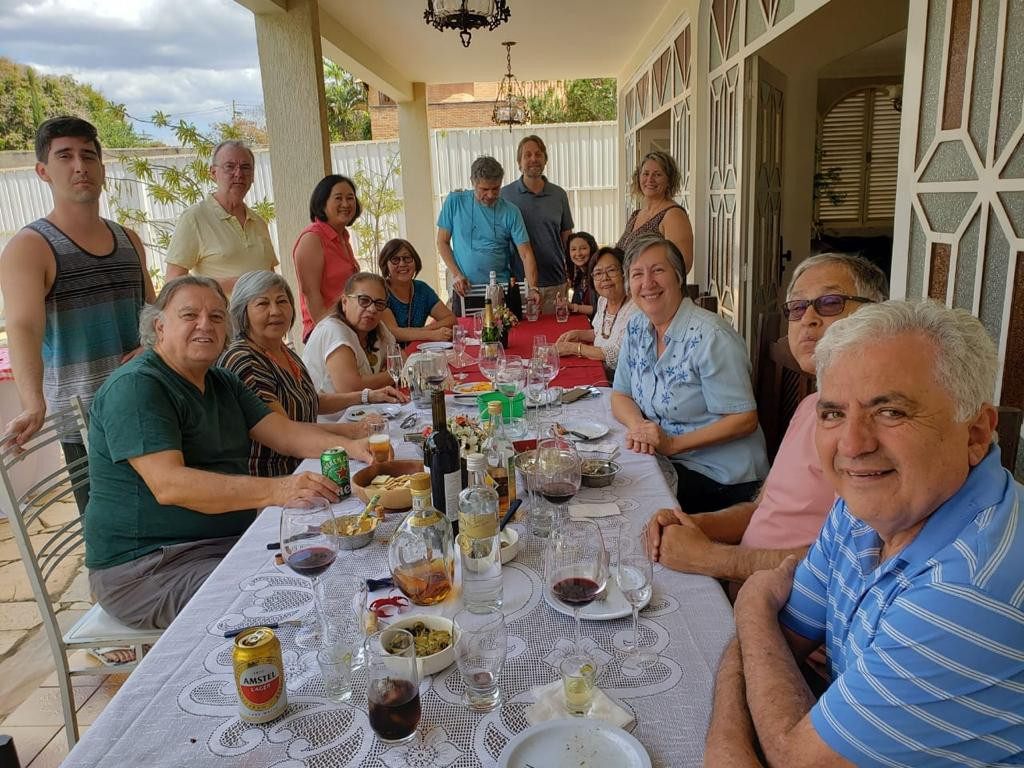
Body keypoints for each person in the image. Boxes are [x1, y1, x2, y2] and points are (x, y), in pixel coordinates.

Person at [705, 300, 1024, 768]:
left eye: (891, 411)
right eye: (833, 414)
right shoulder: (866, 510)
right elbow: (781, 642)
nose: (853, 446)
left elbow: (797, 759)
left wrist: (751, 608)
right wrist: (759, 629)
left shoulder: (966, 589)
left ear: (975, 434)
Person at [84, 276, 372, 630]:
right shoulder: (138, 386)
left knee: (342, 569)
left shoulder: (220, 380)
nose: (205, 325)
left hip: (223, 543)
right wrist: (279, 490)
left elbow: (285, 434)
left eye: (217, 317)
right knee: (293, 605)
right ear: (159, 326)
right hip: (151, 566)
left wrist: (358, 449)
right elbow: (170, 484)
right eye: (190, 315)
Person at [647, 253, 888, 585]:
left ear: (874, 315)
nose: (809, 319)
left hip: (782, 610)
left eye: (830, 303)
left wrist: (710, 558)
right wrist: (691, 524)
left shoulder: (870, 431)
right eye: (798, 308)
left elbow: (850, 563)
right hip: (739, 582)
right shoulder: (810, 407)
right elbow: (762, 511)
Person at [0, 115, 156, 516]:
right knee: (109, 529)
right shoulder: (30, 247)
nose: (79, 166)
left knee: (167, 515)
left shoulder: (128, 239)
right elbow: (22, 327)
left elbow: (154, 313)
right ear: (42, 171)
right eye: (64, 156)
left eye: (88, 155)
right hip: (85, 419)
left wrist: (150, 346)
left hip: (146, 400)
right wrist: (33, 405)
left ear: (103, 168)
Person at [611, 234, 768, 513]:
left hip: (722, 477)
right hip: (669, 462)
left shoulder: (711, 336)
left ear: (679, 277)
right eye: (637, 274)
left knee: (625, 503)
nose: (647, 283)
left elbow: (744, 419)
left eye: (658, 270)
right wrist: (640, 427)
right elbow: (621, 393)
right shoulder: (636, 327)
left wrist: (672, 444)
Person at [220, 271, 405, 477]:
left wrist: (368, 396)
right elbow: (286, 434)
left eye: (282, 301)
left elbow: (310, 401)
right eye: (263, 304)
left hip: (307, 462)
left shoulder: (283, 351)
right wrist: (352, 435)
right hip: (274, 478)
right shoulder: (245, 359)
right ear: (242, 312)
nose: (275, 311)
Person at [164, 140, 277, 296]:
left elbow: (270, 274)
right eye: (229, 167)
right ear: (213, 173)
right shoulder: (195, 218)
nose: (239, 173)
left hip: (262, 319)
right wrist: (240, 284)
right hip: (221, 319)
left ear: (253, 176)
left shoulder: (258, 222)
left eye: (245, 167)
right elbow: (173, 281)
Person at [436, 155, 539, 311]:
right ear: (473, 182)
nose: (491, 195)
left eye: (496, 188)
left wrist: (533, 288)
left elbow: (526, 254)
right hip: (465, 289)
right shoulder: (455, 202)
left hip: (499, 290)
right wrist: (456, 274)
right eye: (484, 189)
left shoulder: (511, 211)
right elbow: (442, 242)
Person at [500, 135, 574, 312]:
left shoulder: (559, 195)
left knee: (555, 335)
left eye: (538, 154)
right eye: (527, 155)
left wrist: (571, 272)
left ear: (545, 160)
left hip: (555, 282)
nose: (533, 159)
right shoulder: (505, 195)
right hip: (518, 285)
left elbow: (567, 237)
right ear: (519, 162)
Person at [302, 271, 397, 396]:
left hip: (366, 411)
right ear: (344, 302)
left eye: (379, 304)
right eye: (364, 300)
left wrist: (390, 372)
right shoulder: (333, 329)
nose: (372, 309)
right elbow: (350, 387)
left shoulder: (378, 327)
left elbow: (399, 356)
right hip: (332, 415)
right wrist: (393, 374)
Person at [292, 174, 362, 341]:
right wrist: (330, 335)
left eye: (350, 198)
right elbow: (311, 295)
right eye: (338, 198)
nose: (346, 204)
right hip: (327, 332)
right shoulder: (313, 238)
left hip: (348, 326)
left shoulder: (343, 237)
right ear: (322, 203)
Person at [555, 246, 638, 375]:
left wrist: (574, 348)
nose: (605, 278)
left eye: (611, 270)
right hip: (600, 368)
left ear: (624, 273)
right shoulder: (603, 301)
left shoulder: (636, 308)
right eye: (598, 273)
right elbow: (602, 333)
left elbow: (617, 354)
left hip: (620, 379)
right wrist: (577, 334)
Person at [617, 151, 694, 273]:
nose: (650, 179)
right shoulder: (636, 215)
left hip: (652, 290)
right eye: (645, 174)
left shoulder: (673, 215)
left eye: (657, 174)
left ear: (669, 180)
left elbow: (681, 265)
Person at [377, 238, 456, 344]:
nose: (402, 264)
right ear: (386, 264)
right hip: (390, 356)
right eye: (395, 259)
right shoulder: (380, 291)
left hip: (418, 352)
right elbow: (394, 333)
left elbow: (450, 319)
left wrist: (421, 331)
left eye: (407, 258)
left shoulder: (422, 289)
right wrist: (431, 334)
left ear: (415, 262)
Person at [564, 231, 598, 317]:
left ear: (591, 249)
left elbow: (600, 309)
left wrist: (572, 307)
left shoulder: (598, 274)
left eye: (583, 248)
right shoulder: (579, 274)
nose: (578, 253)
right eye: (573, 249)